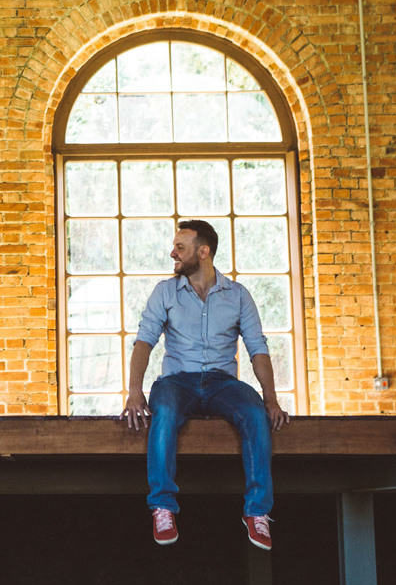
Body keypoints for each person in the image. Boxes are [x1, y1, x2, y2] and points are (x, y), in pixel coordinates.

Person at [121, 219, 290, 550]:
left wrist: (271, 399)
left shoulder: (238, 296)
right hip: (176, 382)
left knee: (255, 413)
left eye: (180, 248)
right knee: (164, 412)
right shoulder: (165, 292)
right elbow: (143, 342)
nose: (173, 253)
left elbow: (257, 348)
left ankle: (257, 512)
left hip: (222, 383)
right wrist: (134, 391)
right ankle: (163, 507)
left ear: (203, 252)